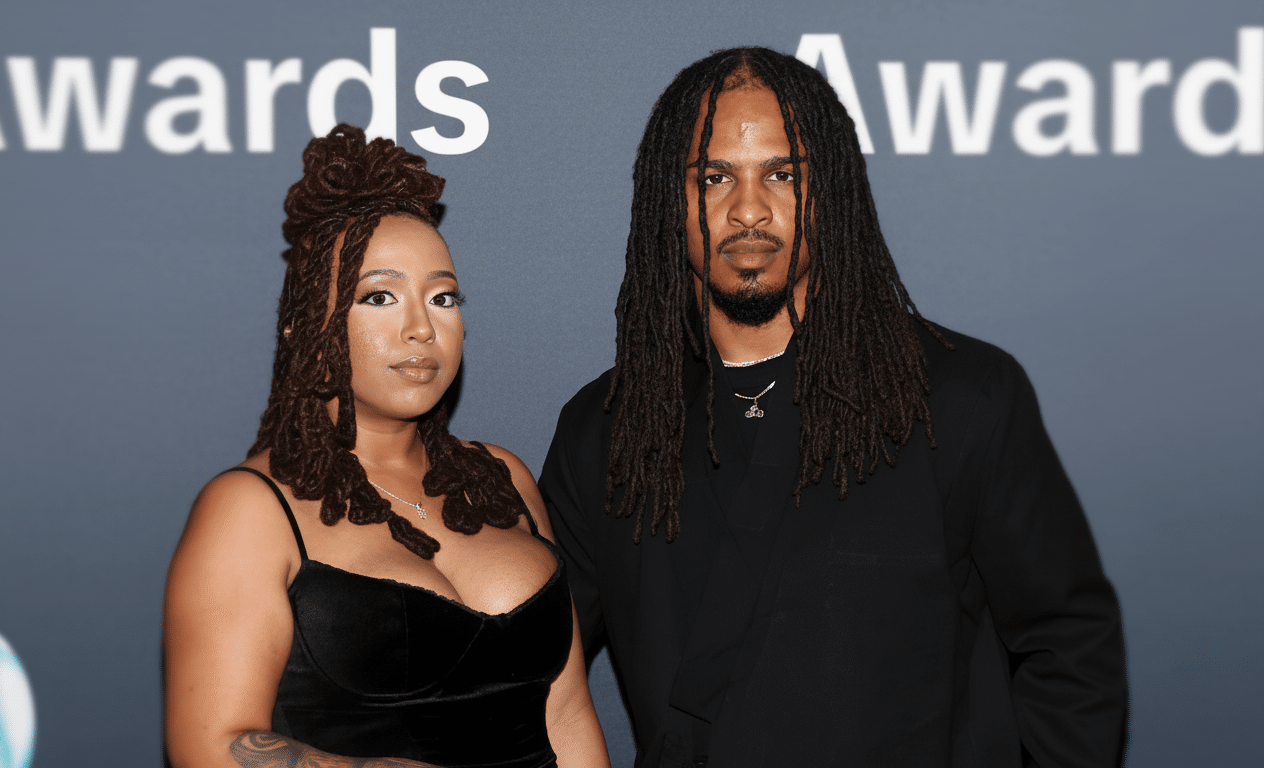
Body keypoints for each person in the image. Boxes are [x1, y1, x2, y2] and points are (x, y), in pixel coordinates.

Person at [539, 48, 1128, 767]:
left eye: (783, 175)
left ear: (836, 192)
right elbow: (529, 677)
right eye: (714, 176)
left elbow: (1070, 648)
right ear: (670, 201)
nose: (748, 209)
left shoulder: (961, 397)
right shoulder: (606, 432)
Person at [164, 125, 611, 768]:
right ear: (307, 326)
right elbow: (210, 747)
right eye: (380, 297)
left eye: (442, 297)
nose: (420, 329)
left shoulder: (501, 477)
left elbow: (565, 710)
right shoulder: (248, 509)